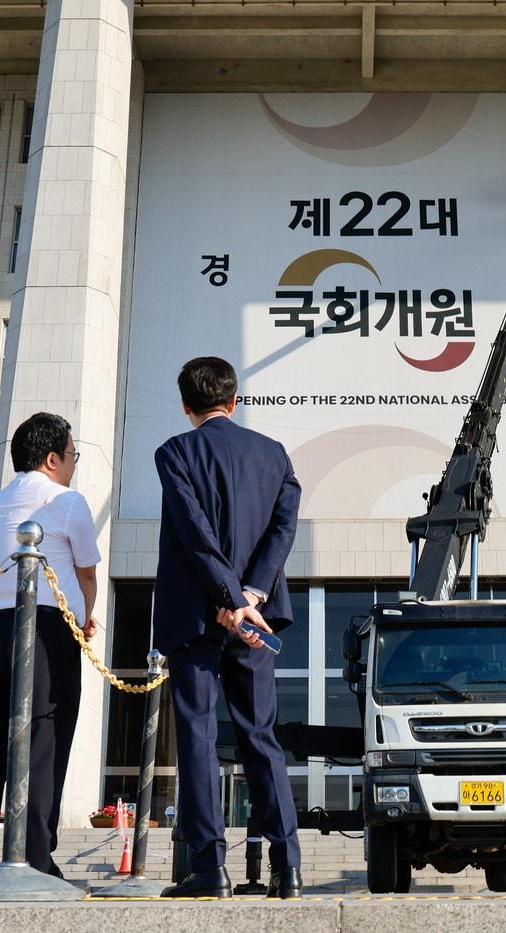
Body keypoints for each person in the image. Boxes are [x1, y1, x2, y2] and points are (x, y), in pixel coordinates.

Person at [153, 356, 303, 899]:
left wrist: (230, 599)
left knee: (198, 735)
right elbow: (284, 527)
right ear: (233, 400)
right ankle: (287, 869)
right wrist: (251, 595)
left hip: (198, 614)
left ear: (185, 405)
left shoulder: (174, 452)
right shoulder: (274, 453)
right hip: (255, 618)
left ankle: (208, 868)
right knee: (260, 736)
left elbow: (195, 531)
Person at [0, 412, 101, 883]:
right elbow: (87, 573)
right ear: (52, 458)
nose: (72, 464)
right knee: (42, 745)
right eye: (72, 455)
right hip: (44, 630)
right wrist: (83, 616)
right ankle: (35, 861)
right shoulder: (66, 501)